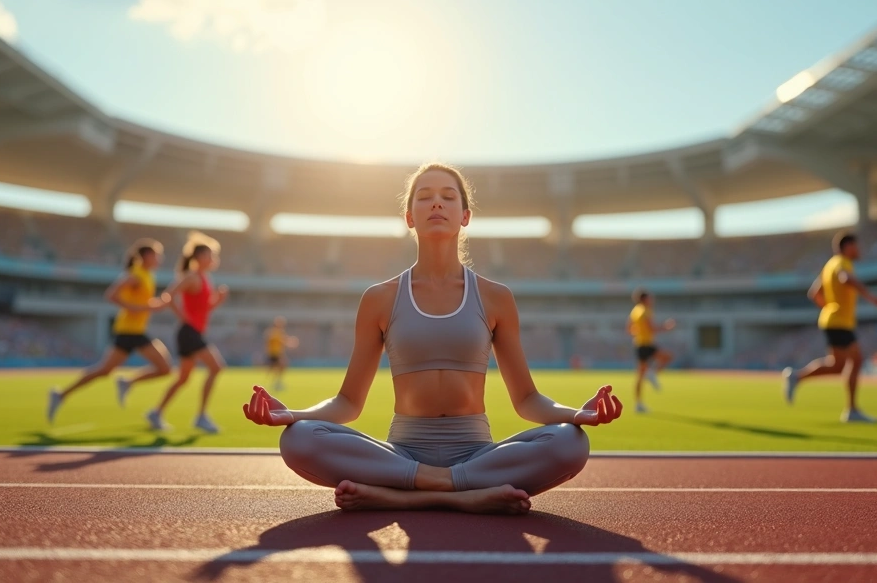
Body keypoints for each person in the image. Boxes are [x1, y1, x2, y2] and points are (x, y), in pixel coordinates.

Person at [243, 163, 622, 515]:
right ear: (410, 217)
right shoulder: (380, 298)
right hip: (403, 453)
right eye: (423, 196)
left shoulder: (496, 297)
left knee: (571, 442)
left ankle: (401, 496)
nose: (436, 202)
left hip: (476, 453)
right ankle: (461, 494)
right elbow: (347, 402)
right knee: (299, 440)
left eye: (448, 195)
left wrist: (576, 414)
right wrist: (293, 415)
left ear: (465, 215)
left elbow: (527, 400)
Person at [47, 239, 173, 423]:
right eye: (157, 254)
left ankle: (63, 394)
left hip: (136, 331)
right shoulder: (135, 275)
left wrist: (157, 305)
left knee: (108, 370)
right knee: (160, 368)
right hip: (129, 332)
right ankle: (62, 394)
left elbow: (142, 303)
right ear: (146, 256)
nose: (160, 258)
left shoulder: (148, 276)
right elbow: (111, 295)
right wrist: (134, 308)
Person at [783, 231, 877, 423]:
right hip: (839, 323)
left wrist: (829, 308)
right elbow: (846, 279)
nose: (859, 250)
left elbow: (814, 293)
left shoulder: (828, 265)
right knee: (856, 359)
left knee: (838, 365)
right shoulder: (842, 264)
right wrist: (870, 297)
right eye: (856, 246)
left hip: (833, 321)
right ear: (847, 247)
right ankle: (851, 410)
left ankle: (797, 377)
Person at [146, 232, 230, 434]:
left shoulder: (205, 279)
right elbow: (169, 296)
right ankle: (201, 417)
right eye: (211, 255)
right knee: (217, 367)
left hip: (193, 332)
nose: (214, 259)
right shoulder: (191, 277)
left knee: (183, 379)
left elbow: (204, 309)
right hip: (189, 332)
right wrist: (182, 316)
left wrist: (218, 300)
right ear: (200, 257)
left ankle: (156, 412)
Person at [627, 288, 675, 414]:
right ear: (644, 299)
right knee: (667, 357)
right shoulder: (645, 311)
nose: (652, 300)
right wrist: (667, 327)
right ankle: (652, 374)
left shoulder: (635, 311)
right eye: (650, 297)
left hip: (639, 343)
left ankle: (638, 403)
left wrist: (638, 332)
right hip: (646, 345)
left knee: (640, 376)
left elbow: (629, 328)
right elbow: (652, 329)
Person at [265, 316, 298, 392]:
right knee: (281, 366)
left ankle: (276, 382)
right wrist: (291, 342)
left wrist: (290, 342)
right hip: (274, 353)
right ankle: (276, 383)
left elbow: (283, 340)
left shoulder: (279, 332)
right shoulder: (274, 332)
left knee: (280, 367)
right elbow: (282, 340)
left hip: (278, 353)